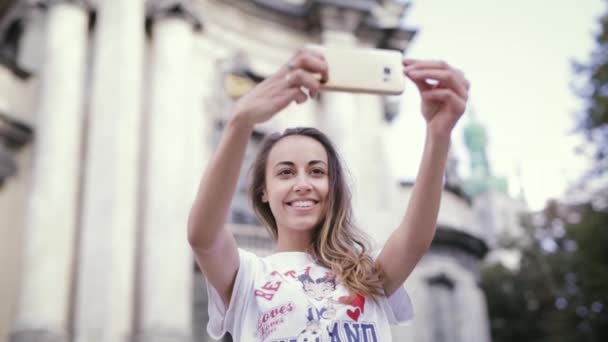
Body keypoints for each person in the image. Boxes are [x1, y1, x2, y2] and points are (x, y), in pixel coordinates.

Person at [187, 47, 470, 341]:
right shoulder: (248, 276)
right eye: (285, 172)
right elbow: (203, 236)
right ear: (263, 192)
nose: (302, 183)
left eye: (316, 171)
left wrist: (439, 134)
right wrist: (240, 123)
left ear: (332, 189)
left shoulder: (366, 276)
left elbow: (414, 240)